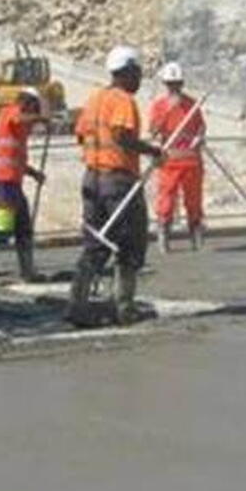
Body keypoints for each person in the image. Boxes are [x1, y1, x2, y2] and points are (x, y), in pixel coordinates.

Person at [71, 45, 162, 323]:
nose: (139, 79)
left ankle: (77, 305)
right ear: (127, 72)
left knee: (95, 243)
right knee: (129, 243)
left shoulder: (95, 98)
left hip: (92, 179)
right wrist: (152, 151)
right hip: (118, 181)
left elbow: (81, 134)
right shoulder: (123, 100)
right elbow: (122, 135)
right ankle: (124, 306)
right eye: (137, 73)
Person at [0, 87, 46, 281]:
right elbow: (21, 118)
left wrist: (33, 173)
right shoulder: (10, 112)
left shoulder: (19, 131)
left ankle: (28, 271)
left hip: (12, 183)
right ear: (28, 104)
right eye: (34, 109)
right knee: (3, 228)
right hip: (2, 183)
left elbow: (15, 158)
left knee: (24, 229)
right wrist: (42, 119)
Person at [148, 62, 207, 252]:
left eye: (177, 84)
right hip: (169, 161)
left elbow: (201, 127)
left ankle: (196, 234)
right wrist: (166, 114)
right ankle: (164, 234)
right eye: (170, 84)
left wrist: (199, 138)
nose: (174, 88)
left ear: (182, 84)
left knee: (194, 200)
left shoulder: (192, 105)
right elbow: (153, 131)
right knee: (166, 199)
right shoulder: (159, 105)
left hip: (191, 160)